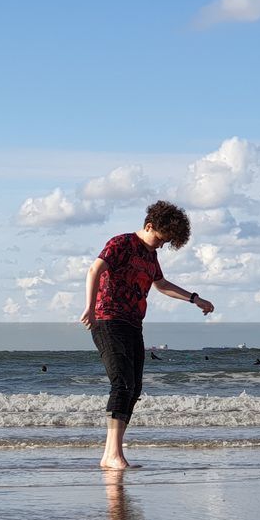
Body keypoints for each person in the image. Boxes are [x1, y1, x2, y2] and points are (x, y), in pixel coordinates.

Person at [81, 200, 214, 470]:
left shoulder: (151, 256)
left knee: (134, 387)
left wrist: (194, 299)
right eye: (161, 239)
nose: (162, 245)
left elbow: (161, 284)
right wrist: (89, 307)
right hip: (108, 319)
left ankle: (110, 455)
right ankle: (113, 455)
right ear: (149, 225)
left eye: (167, 242)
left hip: (133, 324)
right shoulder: (120, 243)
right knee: (122, 382)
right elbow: (95, 269)